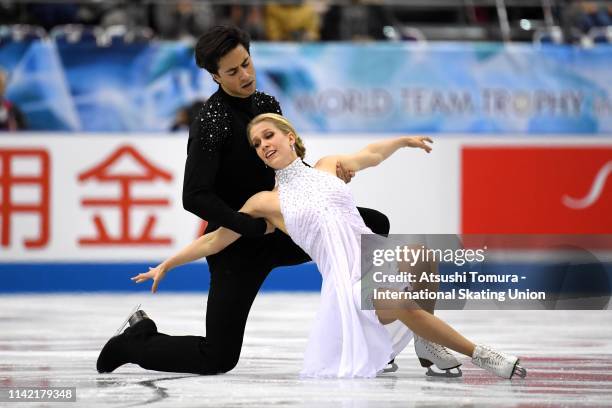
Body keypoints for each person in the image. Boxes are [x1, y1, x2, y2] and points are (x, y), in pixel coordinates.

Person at [98, 25, 447, 376]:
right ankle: (136, 341)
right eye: (233, 72)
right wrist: (246, 226)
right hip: (236, 246)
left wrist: (323, 183)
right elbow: (195, 196)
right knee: (217, 357)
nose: (245, 75)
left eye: (246, 63)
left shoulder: (266, 104)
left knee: (373, 224)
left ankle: (378, 339)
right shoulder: (210, 122)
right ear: (215, 76)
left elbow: (286, 162)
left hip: (282, 229)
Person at [132, 113, 528, 379]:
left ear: (290, 137)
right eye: (256, 144)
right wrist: (167, 264)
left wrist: (402, 142)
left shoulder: (329, 167)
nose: (263, 145)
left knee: (423, 257)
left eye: (268, 136)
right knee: (399, 300)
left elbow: (370, 155)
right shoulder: (264, 203)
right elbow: (215, 240)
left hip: (372, 262)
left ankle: (428, 344)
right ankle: (483, 355)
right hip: (346, 287)